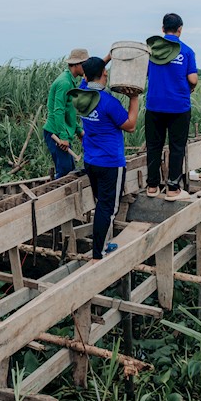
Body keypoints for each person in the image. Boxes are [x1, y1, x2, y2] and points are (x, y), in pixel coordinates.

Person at [69, 56, 139, 259]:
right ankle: (98, 252)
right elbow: (131, 126)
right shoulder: (109, 103)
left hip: (91, 161)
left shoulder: (82, 94)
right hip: (110, 163)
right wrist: (134, 97)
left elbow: (91, 73)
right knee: (108, 208)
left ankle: (104, 243)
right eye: (105, 71)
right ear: (104, 74)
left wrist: (106, 58)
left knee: (101, 203)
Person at [144, 13, 198, 201]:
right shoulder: (187, 51)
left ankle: (152, 186)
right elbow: (192, 78)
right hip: (179, 107)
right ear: (180, 29)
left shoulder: (152, 51)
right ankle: (173, 189)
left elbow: (146, 74)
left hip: (154, 105)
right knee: (176, 147)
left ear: (162, 29)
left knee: (153, 145)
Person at [43, 48, 88, 178]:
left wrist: (78, 130)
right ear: (77, 64)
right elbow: (58, 111)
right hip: (55, 132)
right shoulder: (64, 82)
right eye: (84, 64)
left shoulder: (71, 80)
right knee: (64, 172)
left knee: (70, 169)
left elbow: (69, 112)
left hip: (62, 131)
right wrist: (62, 137)